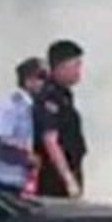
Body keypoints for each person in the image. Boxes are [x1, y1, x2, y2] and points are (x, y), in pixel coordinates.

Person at [0, 58, 45, 196]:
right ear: (28, 80)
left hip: (19, 180)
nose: (44, 83)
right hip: (2, 180)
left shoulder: (29, 107)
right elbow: (1, 137)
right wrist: (28, 154)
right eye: (41, 77)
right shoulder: (10, 105)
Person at [34, 40, 87, 198]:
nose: (79, 71)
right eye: (76, 65)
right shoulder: (50, 97)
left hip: (70, 169)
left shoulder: (64, 95)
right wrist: (68, 179)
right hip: (55, 178)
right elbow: (50, 140)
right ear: (61, 66)